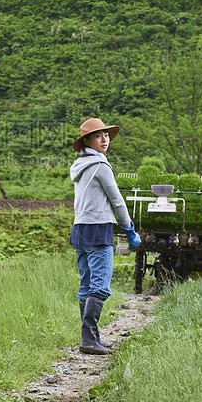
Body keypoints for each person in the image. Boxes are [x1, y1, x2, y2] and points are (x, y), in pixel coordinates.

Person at [69, 118, 138, 355]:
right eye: (98, 136)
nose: (105, 139)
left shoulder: (80, 165)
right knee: (99, 286)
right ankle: (88, 339)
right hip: (98, 230)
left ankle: (92, 336)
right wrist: (129, 228)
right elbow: (116, 200)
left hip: (80, 229)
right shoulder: (101, 166)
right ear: (87, 141)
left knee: (87, 285)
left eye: (106, 135)